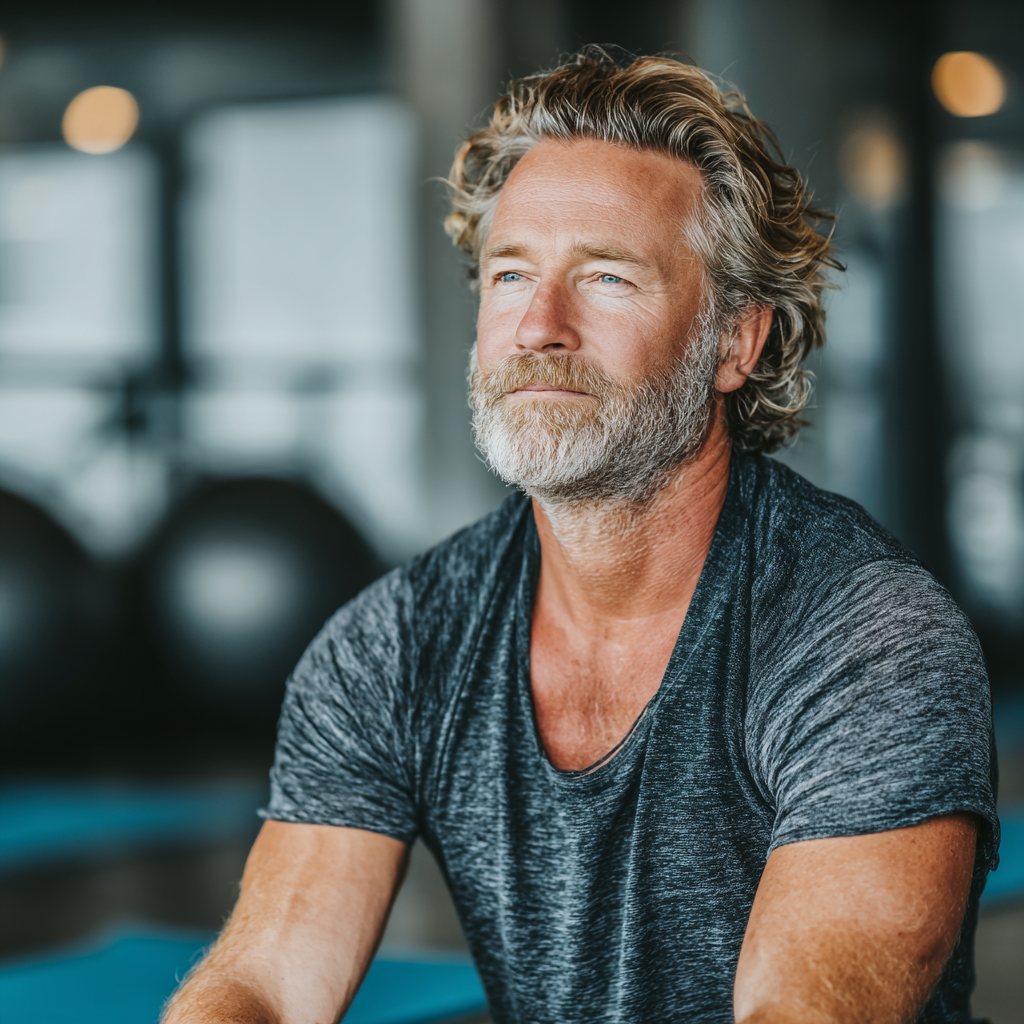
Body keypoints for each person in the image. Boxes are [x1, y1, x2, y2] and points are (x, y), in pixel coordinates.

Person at [164, 51, 998, 1024]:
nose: (538, 326)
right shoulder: (396, 643)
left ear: (737, 340)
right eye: (511, 272)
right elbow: (263, 982)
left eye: (606, 276)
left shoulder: (868, 643)